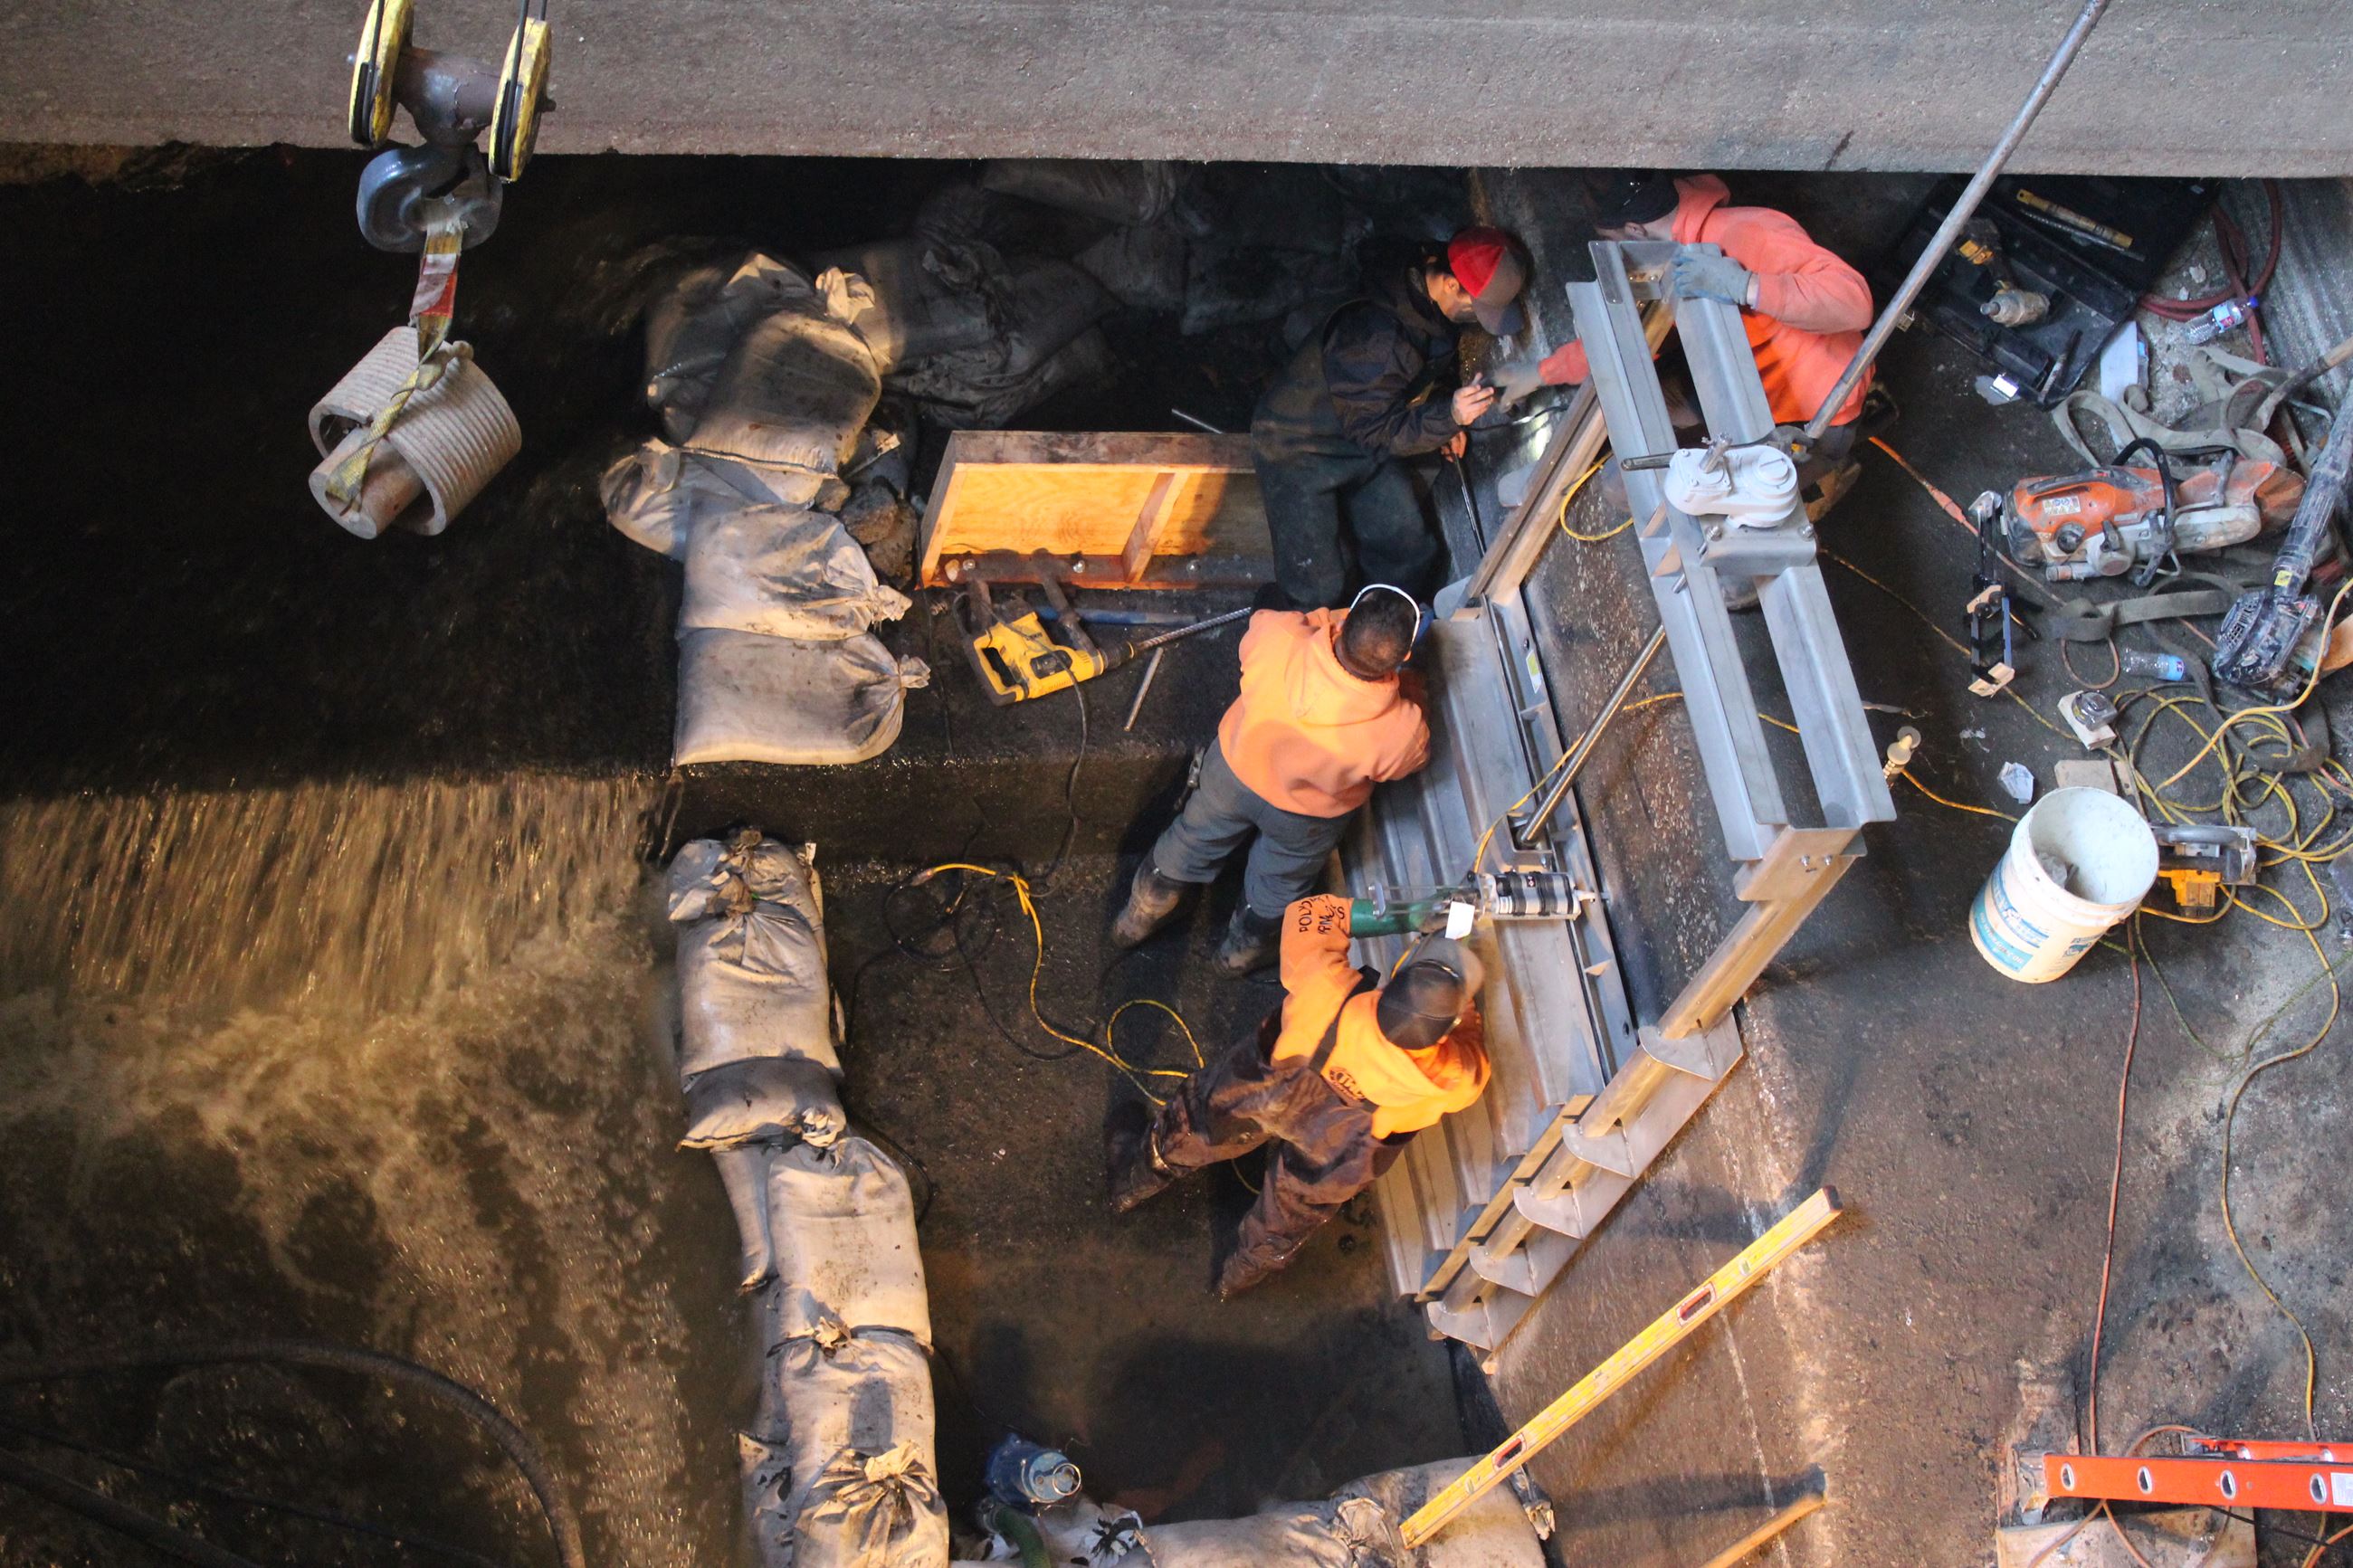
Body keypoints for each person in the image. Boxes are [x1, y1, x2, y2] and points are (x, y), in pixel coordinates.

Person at [1108, 896, 1491, 1298]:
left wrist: (1406, 912)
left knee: (1198, 1126)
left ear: (1396, 980)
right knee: (1290, 1212)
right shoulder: (1452, 1077)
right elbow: (1471, 1048)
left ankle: (1130, 1184)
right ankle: (1237, 1279)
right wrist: (1462, 1010)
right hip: (1341, 1146)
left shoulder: (1326, 985)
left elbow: (1310, 915)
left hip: (1269, 1089)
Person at [1110, 584, 1430, 976]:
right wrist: (1412, 685)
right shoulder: (1401, 730)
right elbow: (1408, 764)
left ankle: (1139, 916)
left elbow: (1265, 620)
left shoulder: (1279, 639)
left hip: (1234, 772)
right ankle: (1238, 956)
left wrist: (1322, 621)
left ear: (1342, 625)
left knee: (1192, 838)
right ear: (1404, 656)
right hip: (1306, 818)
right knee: (1279, 881)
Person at [1504, 170, 1874, 494]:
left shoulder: (1752, 231)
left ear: (1635, 229)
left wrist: (1747, 285)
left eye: (1618, 240)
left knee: (1714, 508)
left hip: (1808, 413)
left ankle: (1821, 478)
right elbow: (1629, 337)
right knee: (1627, 409)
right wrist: (1542, 373)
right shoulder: (1670, 249)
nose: (1622, 251)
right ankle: (1551, 474)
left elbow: (1855, 303)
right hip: (1736, 370)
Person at [1251, 226, 1530, 610]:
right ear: (1450, 284)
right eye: (1475, 310)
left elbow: (1410, 377)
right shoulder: (1377, 341)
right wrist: (1448, 416)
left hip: (1364, 430)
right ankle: (1282, 632)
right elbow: (1376, 430)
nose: (1476, 320)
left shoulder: (1424, 279)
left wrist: (1439, 418)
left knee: (1409, 552)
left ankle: (1377, 632)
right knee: (1318, 588)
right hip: (1300, 447)